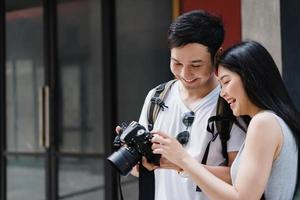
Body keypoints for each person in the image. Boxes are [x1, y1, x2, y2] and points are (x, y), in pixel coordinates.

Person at [151, 40, 300, 200]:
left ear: (250, 77)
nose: (222, 93)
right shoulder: (274, 121)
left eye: (227, 82)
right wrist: (178, 164)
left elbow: (242, 198)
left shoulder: (263, 123)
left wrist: (184, 158)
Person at [135, 10, 246, 200]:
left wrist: (181, 163)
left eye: (196, 65)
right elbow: (142, 169)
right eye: (176, 63)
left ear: (217, 54)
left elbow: (240, 179)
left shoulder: (231, 102)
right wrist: (133, 159)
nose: (185, 74)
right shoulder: (157, 97)